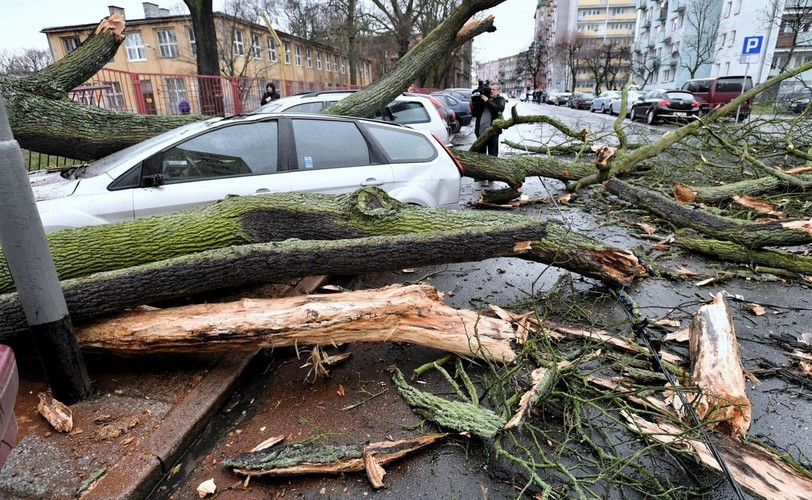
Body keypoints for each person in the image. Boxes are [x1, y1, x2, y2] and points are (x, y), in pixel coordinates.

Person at [471, 82, 507, 157]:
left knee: (492, 156)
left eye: (493, 90)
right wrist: (478, 99)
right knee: (481, 157)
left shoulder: (500, 99)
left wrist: (488, 101)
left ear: (498, 91)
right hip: (480, 133)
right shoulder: (483, 99)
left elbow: (498, 109)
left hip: (493, 133)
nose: (491, 91)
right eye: (490, 89)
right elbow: (474, 113)